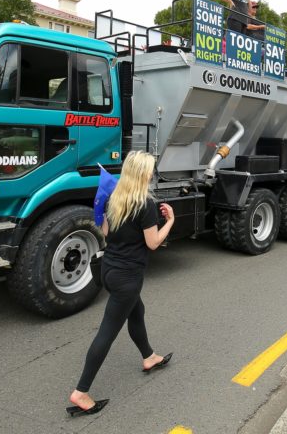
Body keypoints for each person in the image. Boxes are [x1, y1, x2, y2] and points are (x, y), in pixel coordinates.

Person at [67, 151, 175, 417]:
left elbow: (104, 232)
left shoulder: (115, 198)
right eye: (149, 170)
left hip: (110, 270)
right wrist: (170, 220)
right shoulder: (145, 204)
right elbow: (152, 243)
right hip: (128, 277)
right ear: (142, 174)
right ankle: (81, 392)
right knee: (107, 332)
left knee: (137, 312)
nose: (152, 174)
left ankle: (149, 357)